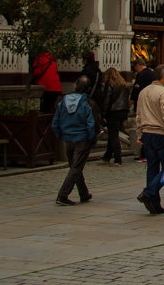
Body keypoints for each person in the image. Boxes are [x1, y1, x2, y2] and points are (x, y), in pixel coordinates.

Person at [135, 64, 164, 215]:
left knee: (152, 168)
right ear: (163, 77)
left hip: (147, 133)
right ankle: (148, 193)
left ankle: (154, 203)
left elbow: (138, 115)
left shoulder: (143, 92)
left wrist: (140, 133)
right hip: (161, 134)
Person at [52, 76, 98, 205]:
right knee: (76, 168)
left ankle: (84, 193)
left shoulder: (62, 102)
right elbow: (90, 124)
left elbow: (55, 122)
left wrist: (60, 134)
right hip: (82, 138)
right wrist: (92, 139)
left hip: (67, 137)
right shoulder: (87, 103)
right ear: (88, 89)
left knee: (75, 166)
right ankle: (62, 195)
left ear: (74, 86)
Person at [100, 66, 130, 165]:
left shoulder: (110, 84)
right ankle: (107, 155)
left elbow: (107, 100)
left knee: (113, 136)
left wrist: (104, 114)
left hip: (113, 112)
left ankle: (118, 158)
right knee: (113, 134)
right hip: (123, 112)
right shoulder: (124, 85)